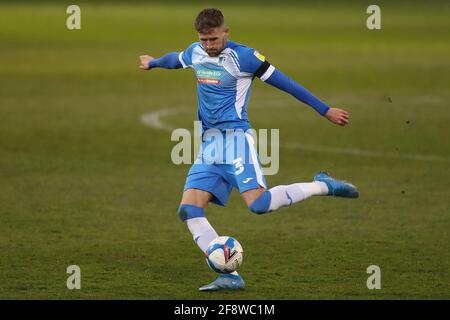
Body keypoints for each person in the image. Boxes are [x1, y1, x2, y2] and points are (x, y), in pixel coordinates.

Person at [139, 8, 359, 292]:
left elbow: (288, 84)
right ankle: (229, 274)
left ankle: (322, 186)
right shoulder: (196, 52)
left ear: (226, 32)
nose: (209, 45)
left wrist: (324, 109)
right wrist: (153, 62)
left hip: (237, 140)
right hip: (209, 144)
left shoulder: (245, 58)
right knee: (189, 210)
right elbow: (175, 59)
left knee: (259, 205)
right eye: (204, 40)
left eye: (214, 39)